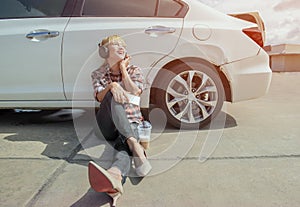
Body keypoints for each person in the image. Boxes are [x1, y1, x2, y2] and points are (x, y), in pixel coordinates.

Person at [88, 35, 152, 206]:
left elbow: (136, 91)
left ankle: (114, 177)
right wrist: (112, 86)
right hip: (107, 125)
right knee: (111, 93)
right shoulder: (98, 74)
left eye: (123, 45)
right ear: (104, 51)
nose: (121, 47)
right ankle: (135, 144)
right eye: (115, 44)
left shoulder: (134, 70)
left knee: (122, 146)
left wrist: (123, 69)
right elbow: (101, 98)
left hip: (131, 121)